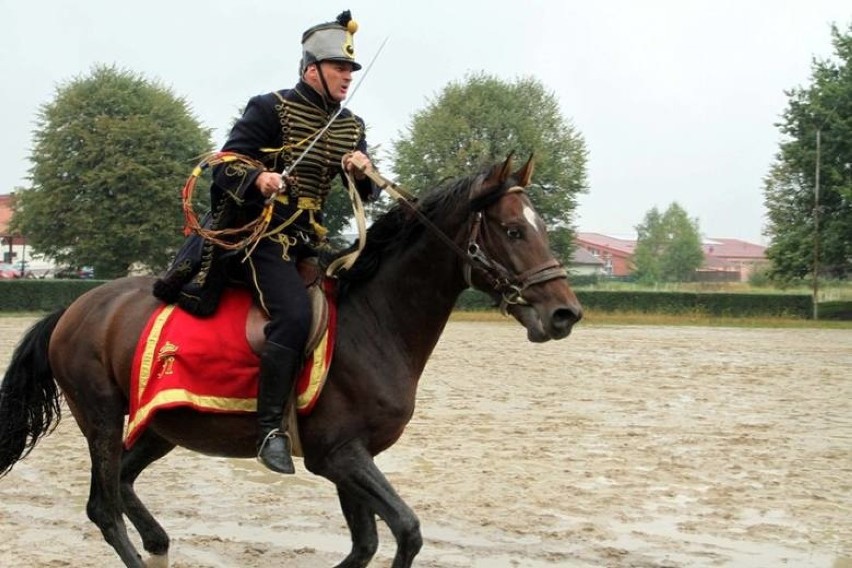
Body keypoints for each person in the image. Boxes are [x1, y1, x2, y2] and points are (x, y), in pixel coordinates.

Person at [154, 10, 379, 474]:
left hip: (310, 244)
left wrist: (362, 174)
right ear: (312, 68)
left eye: (351, 70)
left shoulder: (350, 126)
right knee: (294, 315)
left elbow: (367, 194)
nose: (347, 77)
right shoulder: (269, 107)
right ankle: (270, 430)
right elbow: (224, 164)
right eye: (340, 68)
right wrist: (258, 179)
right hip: (261, 238)